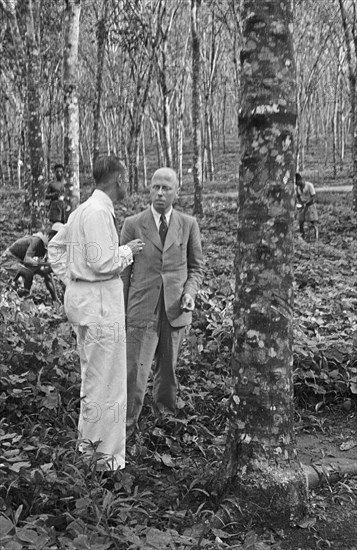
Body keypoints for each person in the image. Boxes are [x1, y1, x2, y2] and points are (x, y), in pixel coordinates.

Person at [48, 155, 144, 471]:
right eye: (127, 178)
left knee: (94, 379)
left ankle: (91, 452)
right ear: (118, 179)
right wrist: (129, 251)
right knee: (108, 383)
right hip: (101, 308)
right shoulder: (98, 213)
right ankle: (104, 460)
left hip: (87, 303)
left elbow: (55, 249)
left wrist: (74, 279)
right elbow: (102, 263)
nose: (128, 184)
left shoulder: (81, 212)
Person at [120, 167, 203, 439]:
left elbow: (196, 269)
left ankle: (164, 422)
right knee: (135, 372)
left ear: (177, 192)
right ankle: (127, 427)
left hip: (174, 310)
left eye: (166, 188)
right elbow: (124, 273)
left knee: (168, 371)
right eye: (155, 187)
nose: (159, 192)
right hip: (141, 309)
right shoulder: (133, 224)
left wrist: (189, 293)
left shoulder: (188, 224)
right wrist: (120, 311)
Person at [1, 230, 57, 300]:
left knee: (47, 275)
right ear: (49, 236)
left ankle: (55, 300)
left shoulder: (46, 247)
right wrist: (46, 264)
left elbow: (47, 271)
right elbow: (27, 259)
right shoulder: (37, 240)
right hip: (9, 259)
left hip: (21, 261)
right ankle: (23, 297)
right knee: (28, 274)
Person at [295, 173, 319, 240]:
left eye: (298, 182)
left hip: (310, 206)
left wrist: (306, 203)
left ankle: (315, 238)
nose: (298, 184)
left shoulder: (309, 185)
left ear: (301, 180)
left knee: (312, 222)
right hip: (302, 207)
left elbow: (313, 197)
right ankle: (303, 237)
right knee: (300, 221)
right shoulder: (297, 188)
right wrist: (299, 203)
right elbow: (298, 196)